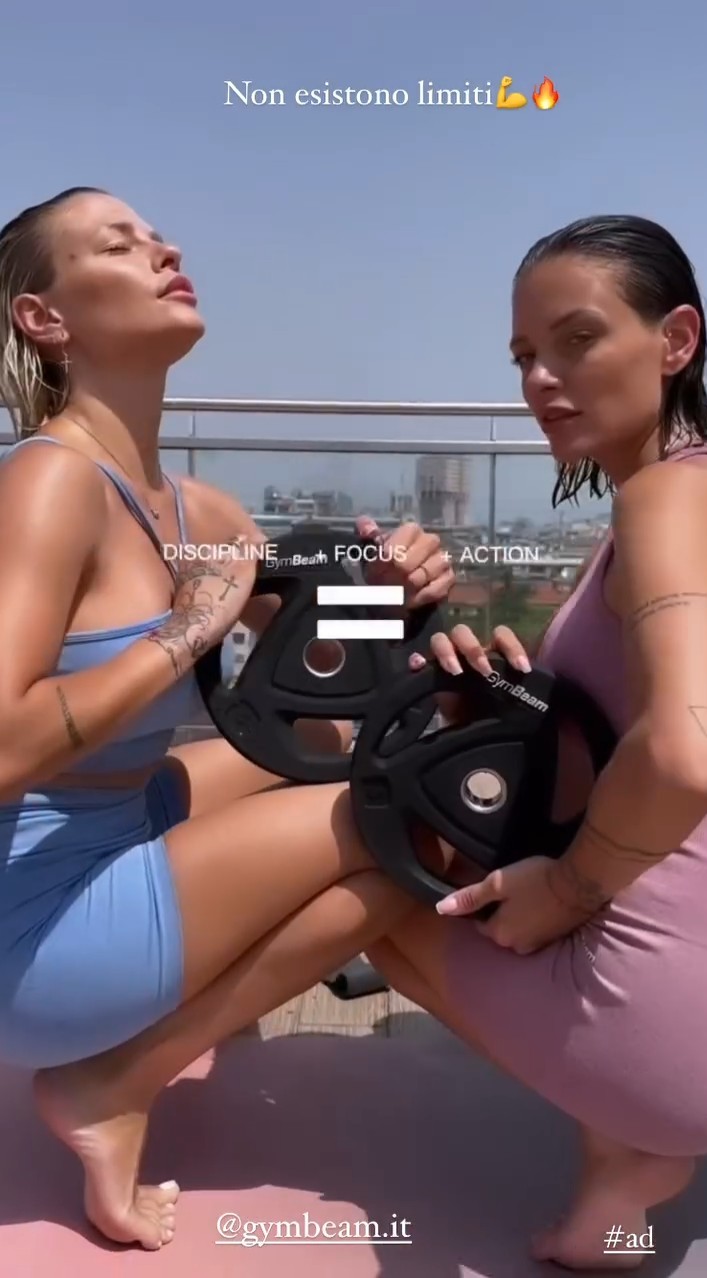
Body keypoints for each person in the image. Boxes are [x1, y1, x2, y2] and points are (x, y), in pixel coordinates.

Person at [0, 187, 455, 1252]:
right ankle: (114, 1082)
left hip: (113, 825)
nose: (164, 251)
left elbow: (318, 662)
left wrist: (393, 594)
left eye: (159, 237)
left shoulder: (197, 511)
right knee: (404, 829)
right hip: (29, 927)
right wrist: (184, 632)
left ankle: (191, 988)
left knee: (338, 755)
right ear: (45, 318)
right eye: (119, 245)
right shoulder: (48, 484)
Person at [365, 213, 707, 1269]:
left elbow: (690, 750)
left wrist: (565, 892)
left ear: (676, 340)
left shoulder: (668, 501)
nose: (540, 380)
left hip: (674, 1022)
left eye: (577, 340)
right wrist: (511, 698)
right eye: (524, 355)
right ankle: (627, 1154)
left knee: (370, 877)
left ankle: (633, 1144)